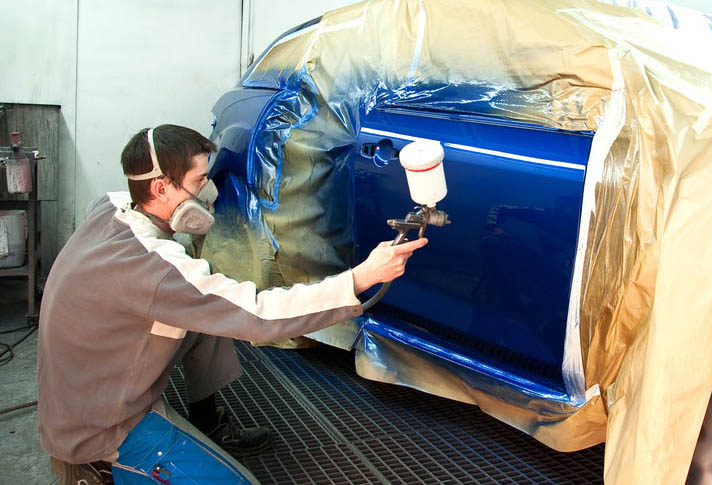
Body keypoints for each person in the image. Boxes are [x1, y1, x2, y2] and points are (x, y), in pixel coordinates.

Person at [38, 124, 428, 484]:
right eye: (199, 181)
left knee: (209, 309)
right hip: (103, 427)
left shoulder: (109, 209)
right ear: (160, 188)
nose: (208, 192)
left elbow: (201, 292)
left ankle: (206, 421)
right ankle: (101, 469)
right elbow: (257, 315)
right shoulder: (152, 267)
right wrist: (360, 278)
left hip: (83, 389)